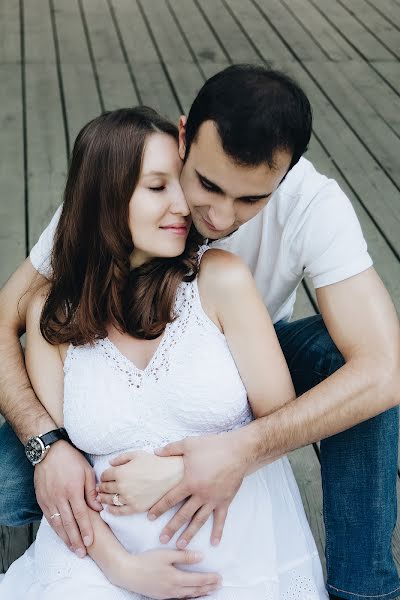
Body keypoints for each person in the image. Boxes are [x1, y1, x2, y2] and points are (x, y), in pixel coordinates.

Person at [0, 65, 399, 600]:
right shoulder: (129, 179)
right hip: (107, 376)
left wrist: (230, 455)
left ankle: (365, 588)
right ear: (184, 137)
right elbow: (13, 317)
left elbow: (384, 370)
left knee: (350, 369)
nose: (214, 215)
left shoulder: (307, 211)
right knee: (17, 483)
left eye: (251, 200)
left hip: (245, 356)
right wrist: (46, 447)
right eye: (208, 184)